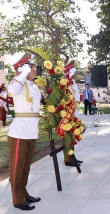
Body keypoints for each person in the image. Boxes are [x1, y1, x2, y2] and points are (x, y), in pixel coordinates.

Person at [8, 54, 41, 210]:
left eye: (33, 67)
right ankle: (17, 199)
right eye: (31, 68)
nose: (35, 70)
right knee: (17, 167)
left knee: (26, 166)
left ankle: (24, 192)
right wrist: (21, 72)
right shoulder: (18, 85)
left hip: (31, 131)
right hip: (19, 132)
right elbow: (11, 90)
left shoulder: (34, 86)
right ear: (24, 69)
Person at [64, 61, 82, 166]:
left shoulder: (73, 82)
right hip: (70, 112)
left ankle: (72, 157)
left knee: (73, 135)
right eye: (75, 72)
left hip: (75, 110)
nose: (77, 73)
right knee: (68, 136)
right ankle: (68, 159)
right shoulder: (68, 82)